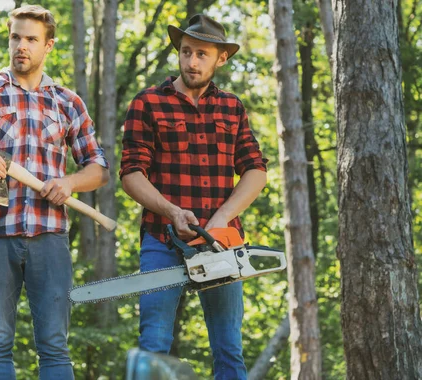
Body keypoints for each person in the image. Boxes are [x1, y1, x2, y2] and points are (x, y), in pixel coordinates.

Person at [0, 5, 109, 379]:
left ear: (48, 45)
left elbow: (98, 169)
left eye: (31, 39)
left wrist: (70, 183)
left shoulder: (68, 102)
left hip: (50, 236)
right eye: (16, 37)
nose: (22, 46)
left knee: (55, 347)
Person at [119, 14, 268, 380]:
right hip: (162, 239)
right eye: (186, 52)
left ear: (221, 58)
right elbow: (131, 173)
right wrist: (171, 211)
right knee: (153, 344)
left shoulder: (232, 108)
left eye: (202, 54)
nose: (192, 61)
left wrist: (220, 220)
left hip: (221, 246)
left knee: (229, 348)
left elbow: (256, 170)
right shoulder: (149, 103)